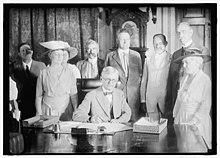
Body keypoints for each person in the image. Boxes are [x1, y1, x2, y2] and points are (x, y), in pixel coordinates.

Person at [164, 22, 211, 123]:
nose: (180, 36)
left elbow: (207, 84)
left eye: (183, 32)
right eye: (178, 33)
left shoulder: (202, 51)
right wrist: (169, 108)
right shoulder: (176, 55)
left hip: (196, 108)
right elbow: (171, 82)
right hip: (178, 104)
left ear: (191, 32)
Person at [172, 48, 212, 149]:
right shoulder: (184, 79)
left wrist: (192, 123)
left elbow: (205, 106)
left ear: (197, 63)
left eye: (187, 63)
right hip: (182, 118)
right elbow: (179, 100)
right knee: (183, 148)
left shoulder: (205, 80)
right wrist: (176, 117)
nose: (184, 66)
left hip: (196, 122)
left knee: (194, 148)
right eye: (183, 63)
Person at [104, 28, 142, 122]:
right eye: (122, 39)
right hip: (116, 96)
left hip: (134, 97)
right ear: (118, 40)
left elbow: (140, 76)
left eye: (127, 39)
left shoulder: (136, 56)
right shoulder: (110, 56)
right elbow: (105, 77)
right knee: (118, 124)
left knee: (134, 125)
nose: (125, 42)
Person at [35, 41, 78, 121]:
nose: (59, 57)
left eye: (61, 55)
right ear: (50, 55)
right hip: (48, 110)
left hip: (65, 110)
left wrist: (76, 110)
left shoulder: (69, 72)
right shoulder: (43, 73)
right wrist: (39, 113)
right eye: (56, 54)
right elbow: (38, 95)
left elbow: (73, 95)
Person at [140, 34, 171, 121]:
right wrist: (143, 100)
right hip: (151, 100)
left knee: (167, 128)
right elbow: (144, 81)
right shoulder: (148, 59)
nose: (157, 46)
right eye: (155, 43)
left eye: (160, 43)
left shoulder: (171, 59)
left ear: (165, 44)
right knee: (153, 127)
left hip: (166, 100)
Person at [13, 43, 46, 120]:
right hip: (21, 106)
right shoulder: (14, 68)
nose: (26, 52)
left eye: (28, 50)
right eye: (23, 51)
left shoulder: (41, 66)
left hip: (38, 106)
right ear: (19, 53)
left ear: (32, 52)